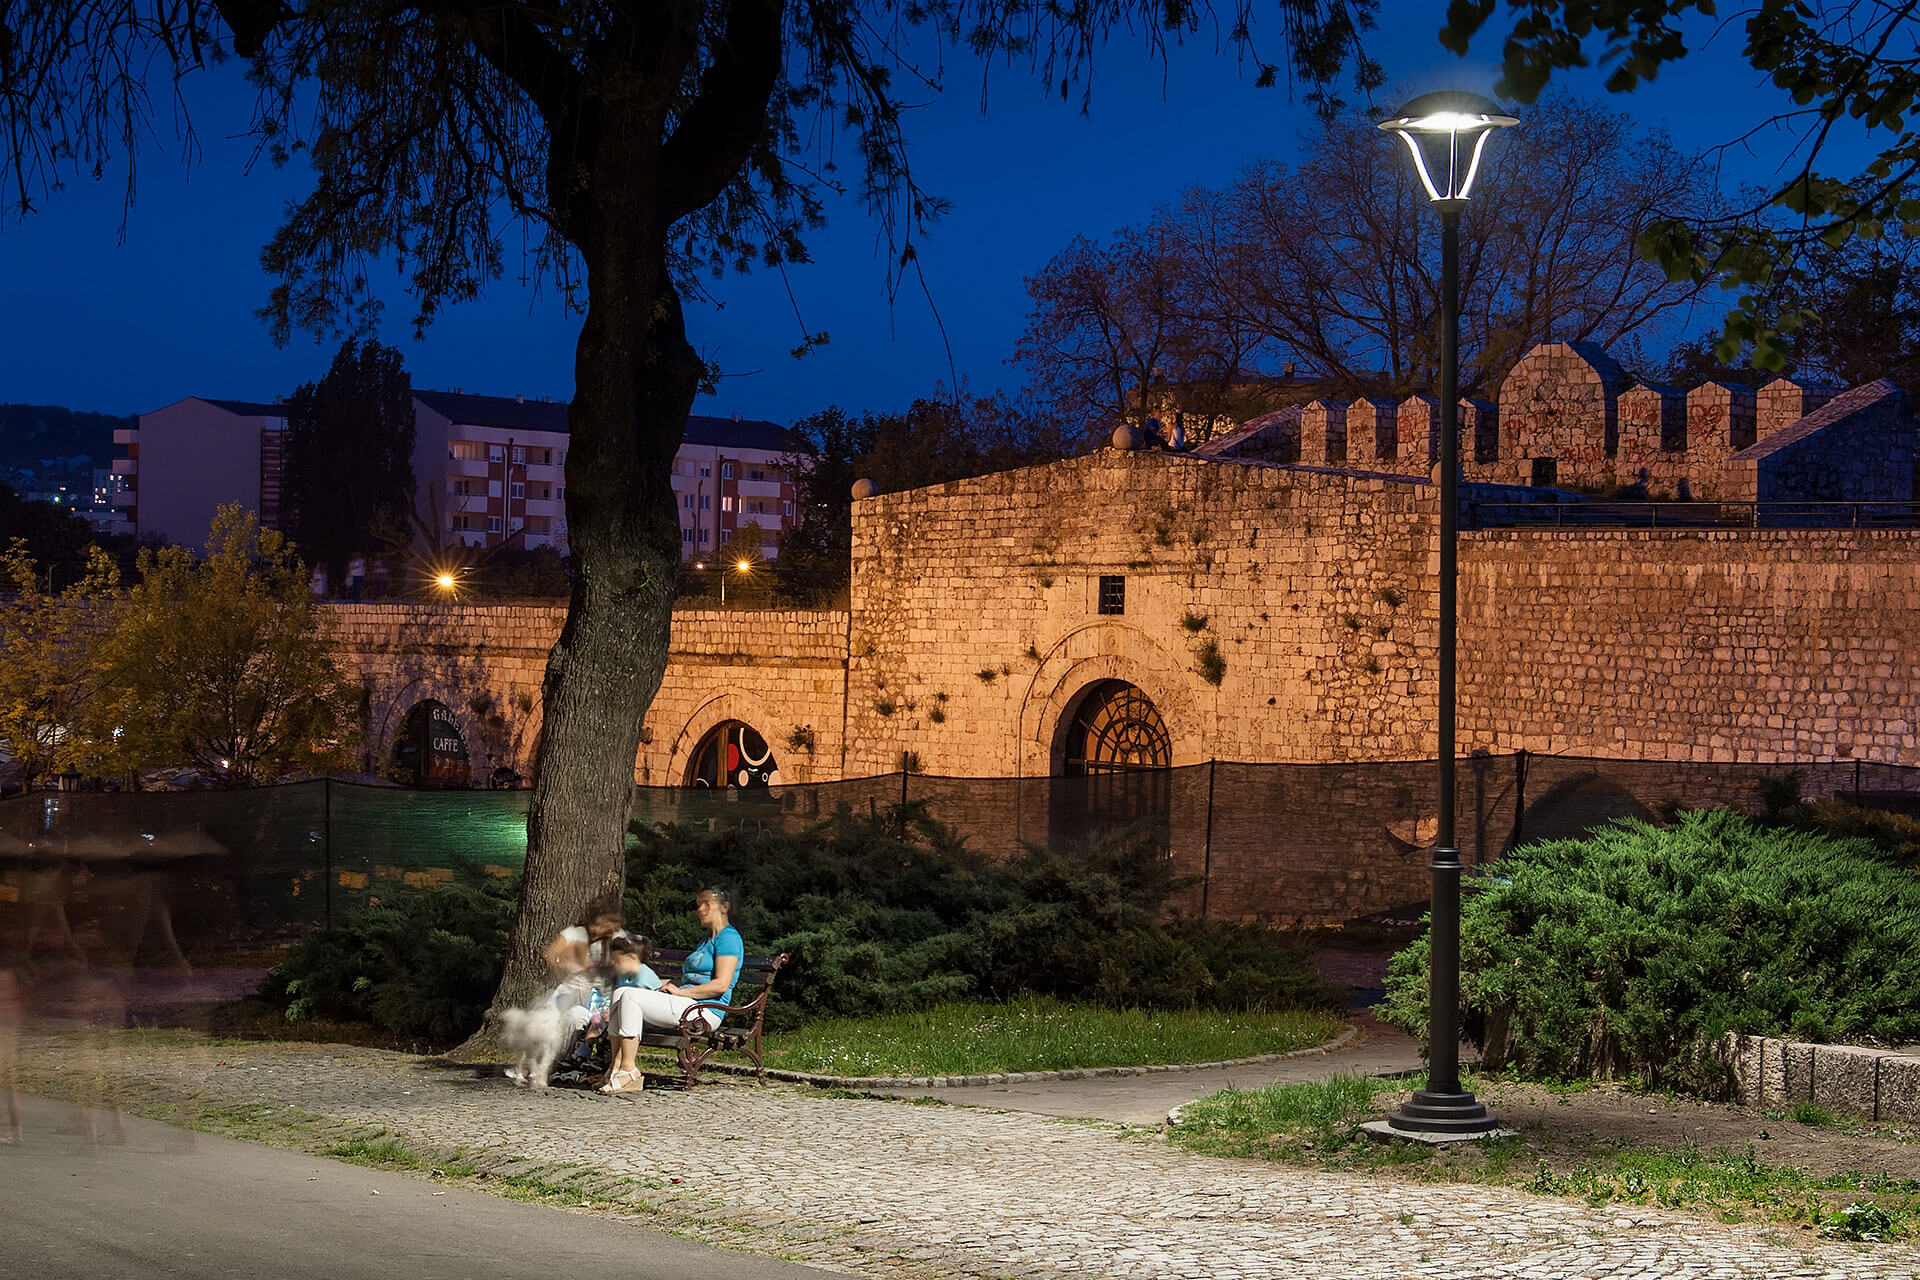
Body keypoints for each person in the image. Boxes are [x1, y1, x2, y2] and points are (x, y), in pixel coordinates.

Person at [600, 887, 743, 1094]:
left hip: (706, 1010)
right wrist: (665, 987)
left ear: (724, 907)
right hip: (686, 1003)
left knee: (630, 996)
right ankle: (615, 1068)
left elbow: (720, 985)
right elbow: (689, 980)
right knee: (620, 992)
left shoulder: (728, 938)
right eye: (698, 905)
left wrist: (682, 993)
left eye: (706, 904)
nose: (700, 909)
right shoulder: (706, 941)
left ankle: (629, 1070)